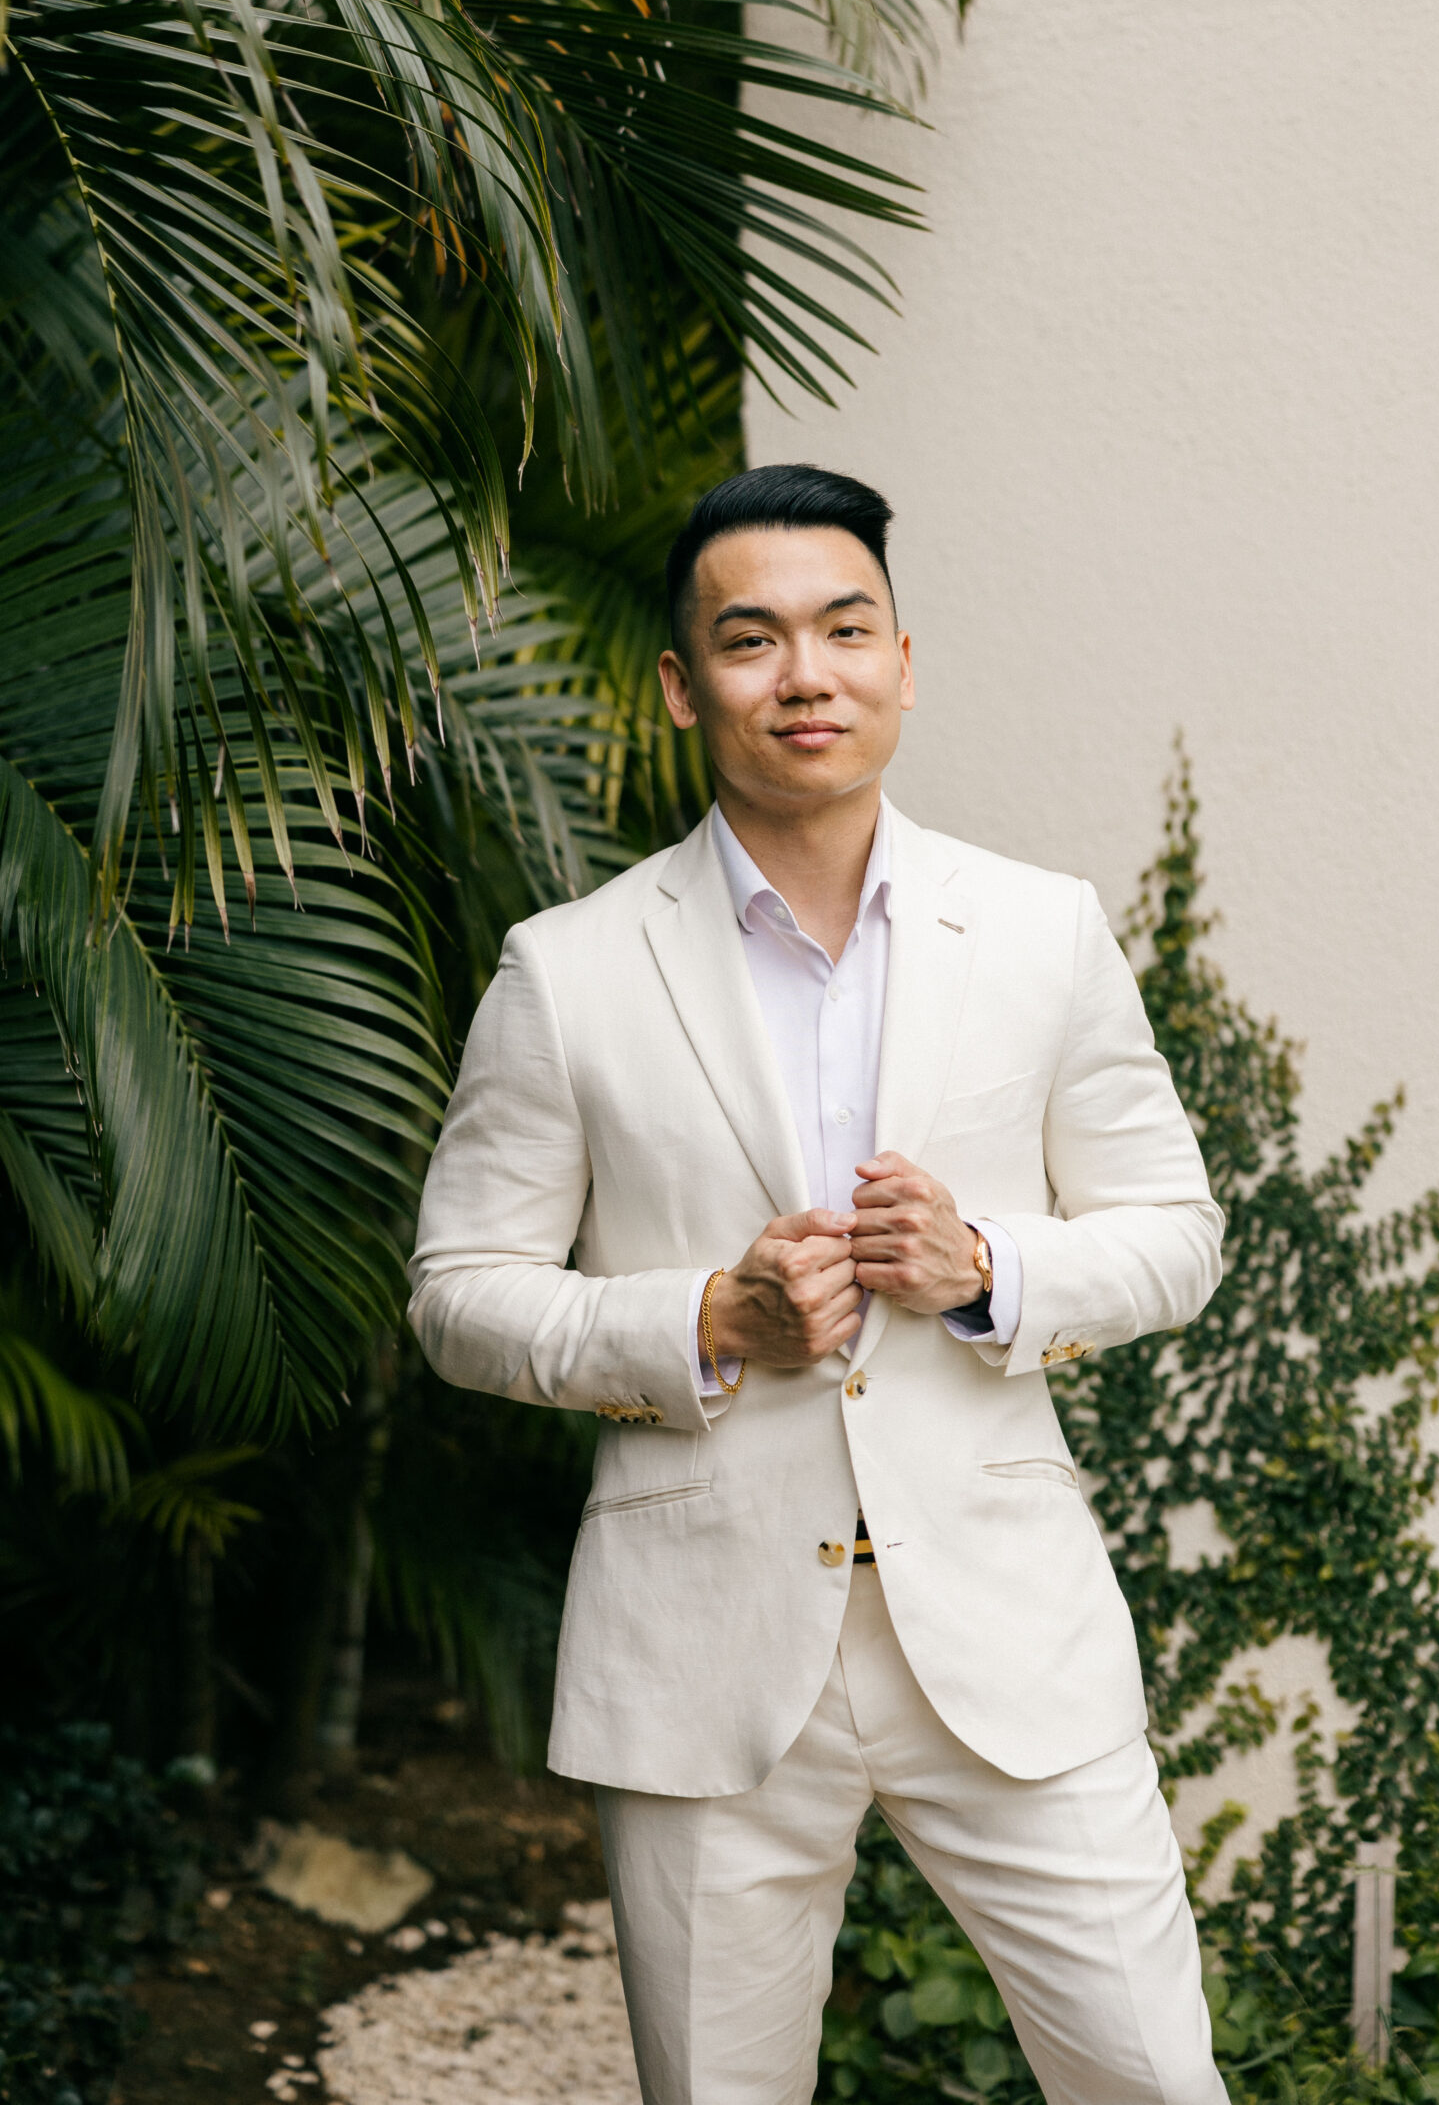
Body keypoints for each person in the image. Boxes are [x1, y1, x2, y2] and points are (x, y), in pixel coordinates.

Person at [408, 464, 1230, 2105]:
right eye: (753, 637)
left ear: (903, 661)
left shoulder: (1046, 932)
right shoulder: (566, 969)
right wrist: (703, 1319)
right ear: (680, 683)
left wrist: (988, 1267)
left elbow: (1174, 1232)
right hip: (701, 1656)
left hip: (1007, 1639)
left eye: (845, 630)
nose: (807, 674)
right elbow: (456, 1292)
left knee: (1152, 2082)